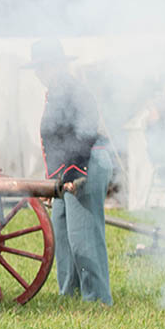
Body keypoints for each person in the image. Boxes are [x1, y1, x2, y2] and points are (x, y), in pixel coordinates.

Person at [30, 38, 112, 304]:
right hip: (67, 172)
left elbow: (84, 133)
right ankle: (70, 296)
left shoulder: (72, 90)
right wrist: (53, 180)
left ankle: (97, 299)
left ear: (54, 65)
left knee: (84, 239)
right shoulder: (56, 91)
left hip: (85, 165)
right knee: (64, 238)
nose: (39, 73)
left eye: (41, 66)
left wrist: (76, 173)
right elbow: (56, 141)